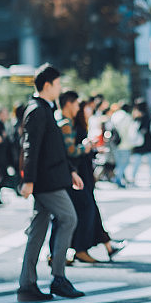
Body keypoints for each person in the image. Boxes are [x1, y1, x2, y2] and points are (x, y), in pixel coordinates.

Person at [17, 64, 85, 302]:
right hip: (46, 181)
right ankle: (58, 277)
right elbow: (30, 148)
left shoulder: (44, 109)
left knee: (37, 231)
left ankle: (27, 285)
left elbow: (53, 148)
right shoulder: (37, 110)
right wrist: (29, 180)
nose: (60, 88)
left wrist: (71, 171)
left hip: (49, 178)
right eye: (58, 84)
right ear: (47, 85)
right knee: (69, 218)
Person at [53, 92, 125, 264]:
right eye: (80, 105)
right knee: (76, 213)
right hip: (75, 174)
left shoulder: (72, 122)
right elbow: (68, 152)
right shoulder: (66, 123)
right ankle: (69, 251)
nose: (82, 108)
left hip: (78, 173)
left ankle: (73, 251)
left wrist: (89, 149)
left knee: (82, 211)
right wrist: (85, 149)